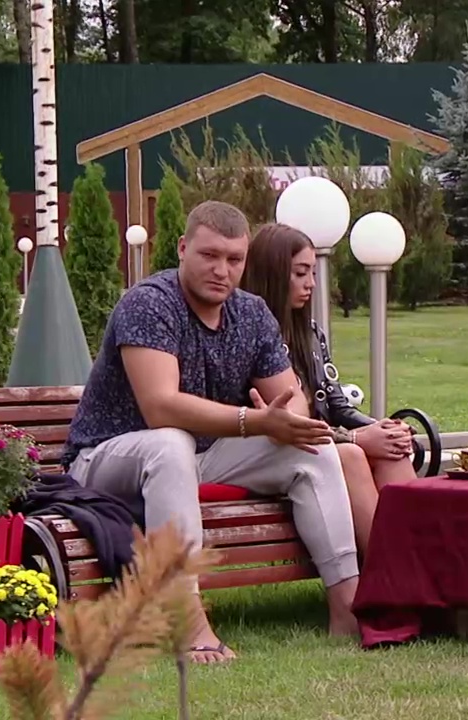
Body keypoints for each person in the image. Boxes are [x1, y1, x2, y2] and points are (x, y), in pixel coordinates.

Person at [61, 201, 361, 665]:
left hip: (197, 456)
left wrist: (284, 417)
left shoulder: (252, 313)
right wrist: (253, 421)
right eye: (209, 255)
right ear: (183, 248)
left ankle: (348, 607)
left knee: (311, 447)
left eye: (234, 259)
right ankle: (187, 620)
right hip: (105, 459)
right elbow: (160, 407)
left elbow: (292, 404)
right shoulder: (149, 303)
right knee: (170, 443)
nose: (222, 270)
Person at [240, 223, 417, 555]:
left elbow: (336, 404)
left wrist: (382, 429)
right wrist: (355, 438)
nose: (311, 283)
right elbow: (284, 426)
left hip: (319, 443)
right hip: (272, 451)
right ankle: (391, 568)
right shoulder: (248, 337)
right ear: (272, 274)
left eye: (313, 273)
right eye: (300, 273)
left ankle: (415, 566)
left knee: (392, 450)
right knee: (351, 454)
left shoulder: (310, 333)